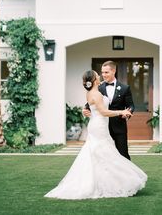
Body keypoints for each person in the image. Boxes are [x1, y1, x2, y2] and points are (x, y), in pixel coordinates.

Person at [44, 70, 147, 200]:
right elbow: (103, 112)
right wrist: (121, 111)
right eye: (97, 75)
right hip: (99, 126)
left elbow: (94, 104)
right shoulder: (97, 94)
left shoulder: (91, 92)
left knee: (99, 154)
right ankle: (115, 184)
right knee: (106, 153)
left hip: (97, 125)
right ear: (93, 80)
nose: (99, 76)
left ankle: (104, 183)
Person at [83, 60, 134, 160]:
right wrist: (84, 110)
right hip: (102, 127)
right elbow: (89, 104)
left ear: (113, 71)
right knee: (104, 155)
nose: (103, 75)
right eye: (102, 72)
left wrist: (128, 113)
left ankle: (125, 175)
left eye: (106, 72)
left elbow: (131, 106)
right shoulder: (98, 87)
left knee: (123, 154)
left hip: (119, 126)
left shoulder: (125, 88)